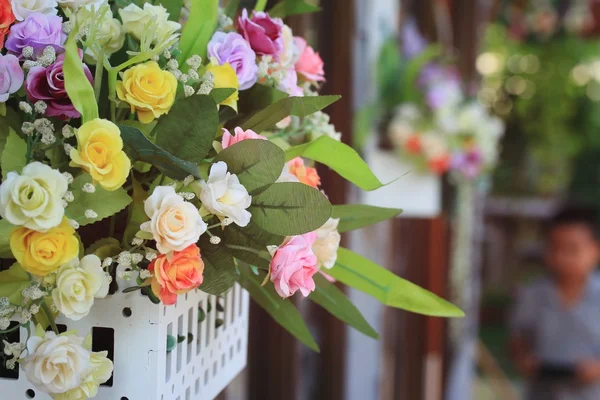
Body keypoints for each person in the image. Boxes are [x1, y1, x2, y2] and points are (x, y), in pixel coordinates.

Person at [509, 206, 600, 399]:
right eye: (555, 248)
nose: (562, 258)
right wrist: (524, 359)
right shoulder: (531, 294)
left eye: (573, 249)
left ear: (595, 250)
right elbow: (517, 339)